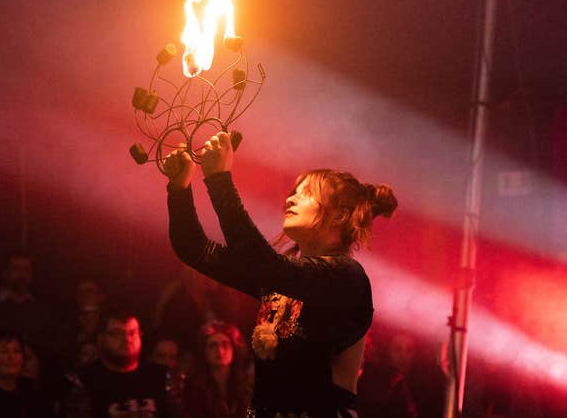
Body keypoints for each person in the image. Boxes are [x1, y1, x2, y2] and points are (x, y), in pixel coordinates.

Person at [163, 132, 398, 417]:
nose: (291, 199)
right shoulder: (281, 275)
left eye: (307, 193)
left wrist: (219, 180)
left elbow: (266, 265)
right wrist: (179, 188)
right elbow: (195, 250)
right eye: (294, 192)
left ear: (338, 216)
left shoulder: (346, 276)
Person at [78, 308, 171, 417]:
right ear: (100, 338)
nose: (127, 339)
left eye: (133, 333)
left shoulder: (160, 376)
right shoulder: (83, 381)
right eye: (117, 333)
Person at [181, 321, 250, 418]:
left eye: (225, 344)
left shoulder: (246, 385)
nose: (220, 351)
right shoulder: (193, 388)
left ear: (234, 350)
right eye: (213, 345)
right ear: (204, 351)